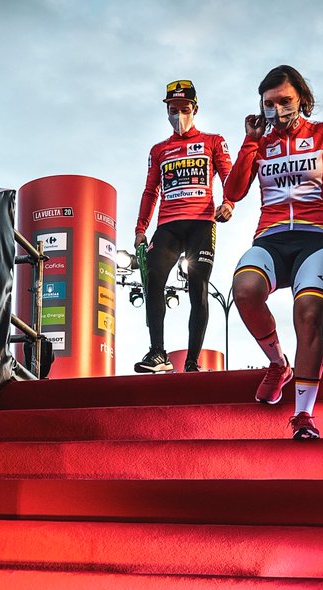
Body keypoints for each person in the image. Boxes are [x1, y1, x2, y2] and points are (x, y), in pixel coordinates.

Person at [222, 65, 323, 438]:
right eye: (269, 103)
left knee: (308, 313)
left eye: (285, 101)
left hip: (314, 239)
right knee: (245, 291)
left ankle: (303, 416)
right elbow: (233, 192)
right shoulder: (261, 142)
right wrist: (249, 141)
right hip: (271, 238)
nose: (277, 109)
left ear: (301, 99)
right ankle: (277, 363)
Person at [134, 79, 234, 373]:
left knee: (197, 286)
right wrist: (141, 227)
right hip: (168, 224)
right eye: (173, 109)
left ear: (195, 109)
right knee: (152, 277)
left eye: (184, 108)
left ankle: (192, 361)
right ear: (167, 110)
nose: (179, 114)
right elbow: (150, 190)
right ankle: (157, 354)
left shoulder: (213, 141)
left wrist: (229, 203)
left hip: (202, 223)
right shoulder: (159, 150)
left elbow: (229, 176)